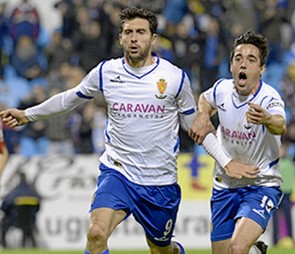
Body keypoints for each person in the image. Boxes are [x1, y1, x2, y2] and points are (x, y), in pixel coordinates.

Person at [0, 7, 195, 254]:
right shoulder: (106, 72)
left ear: (153, 38)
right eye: (128, 32)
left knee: (161, 250)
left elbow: (193, 124)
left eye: (141, 32)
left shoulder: (174, 77)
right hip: (118, 172)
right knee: (96, 233)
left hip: (159, 181)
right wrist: (28, 114)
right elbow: (69, 99)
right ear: (120, 38)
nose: (134, 38)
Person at [189, 31, 287, 254]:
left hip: (261, 183)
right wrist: (204, 114)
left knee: (237, 248)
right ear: (231, 65)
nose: (243, 64)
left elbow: (280, 124)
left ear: (261, 70)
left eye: (251, 60)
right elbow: (205, 99)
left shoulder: (268, 98)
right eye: (238, 59)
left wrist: (267, 119)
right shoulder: (222, 89)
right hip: (225, 184)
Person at [0, 172, 41, 248]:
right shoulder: (32, 192)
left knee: (3, 224)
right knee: (29, 227)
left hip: (15, 220)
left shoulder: (15, 192)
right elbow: (38, 207)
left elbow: (4, 207)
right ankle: (33, 246)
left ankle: (4, 245)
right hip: (29, 221)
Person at [272, 141, 295, 248]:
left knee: (288, 218)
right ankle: (275, 241)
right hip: (277, 194)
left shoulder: (290, 162)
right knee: (275, 220)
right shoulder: (275, 163)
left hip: (286, 194)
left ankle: (291, 238)